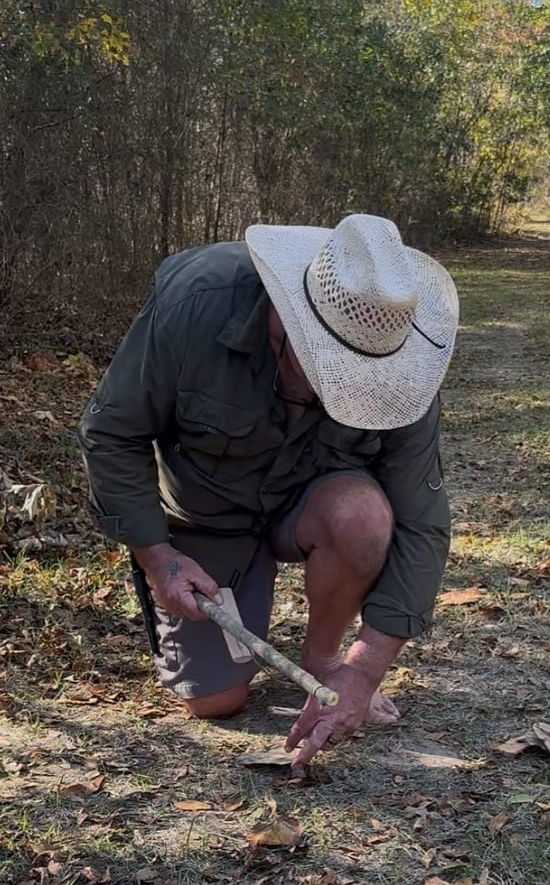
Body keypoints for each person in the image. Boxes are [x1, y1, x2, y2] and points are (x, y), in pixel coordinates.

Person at [78, 213, 459, 765]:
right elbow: (112, 433)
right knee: (215, 700)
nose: (342, 388)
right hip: (207, 515)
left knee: (362, 516)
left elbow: (423, 521)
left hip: (309, 503)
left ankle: (322, 661)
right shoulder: (197, 302)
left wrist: (363, 669)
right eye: (329, 369)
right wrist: (159, 559)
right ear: (283, 319)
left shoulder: (402, 365)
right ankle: (219, 619)